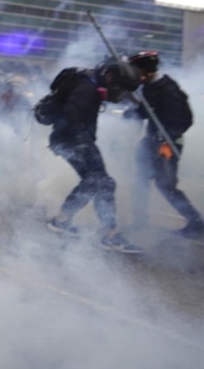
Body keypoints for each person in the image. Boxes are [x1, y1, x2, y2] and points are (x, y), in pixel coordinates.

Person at [45, 60, 143, 253]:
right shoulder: (87, 87)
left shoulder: (91, 83)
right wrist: (83, 141)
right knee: (98, 180)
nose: (121, 94)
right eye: (121, 89)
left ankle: (69, 222)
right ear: (110, 77)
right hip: (71, 141)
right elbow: (71, 114)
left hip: (70, 140)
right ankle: (103, 233)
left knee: (101, 181)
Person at [126, 51, 203, 237]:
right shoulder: (149, 86)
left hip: (167, 144)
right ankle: (140, 222)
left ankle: (197, 224)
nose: (134, 73)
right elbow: (146, 112)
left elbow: (182, 120)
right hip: (150, 141)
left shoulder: (168, 90)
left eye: (136, 69)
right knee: (140, 181)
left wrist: (167, 141)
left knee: (166, 185)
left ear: (146, 69)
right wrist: (131, 111)